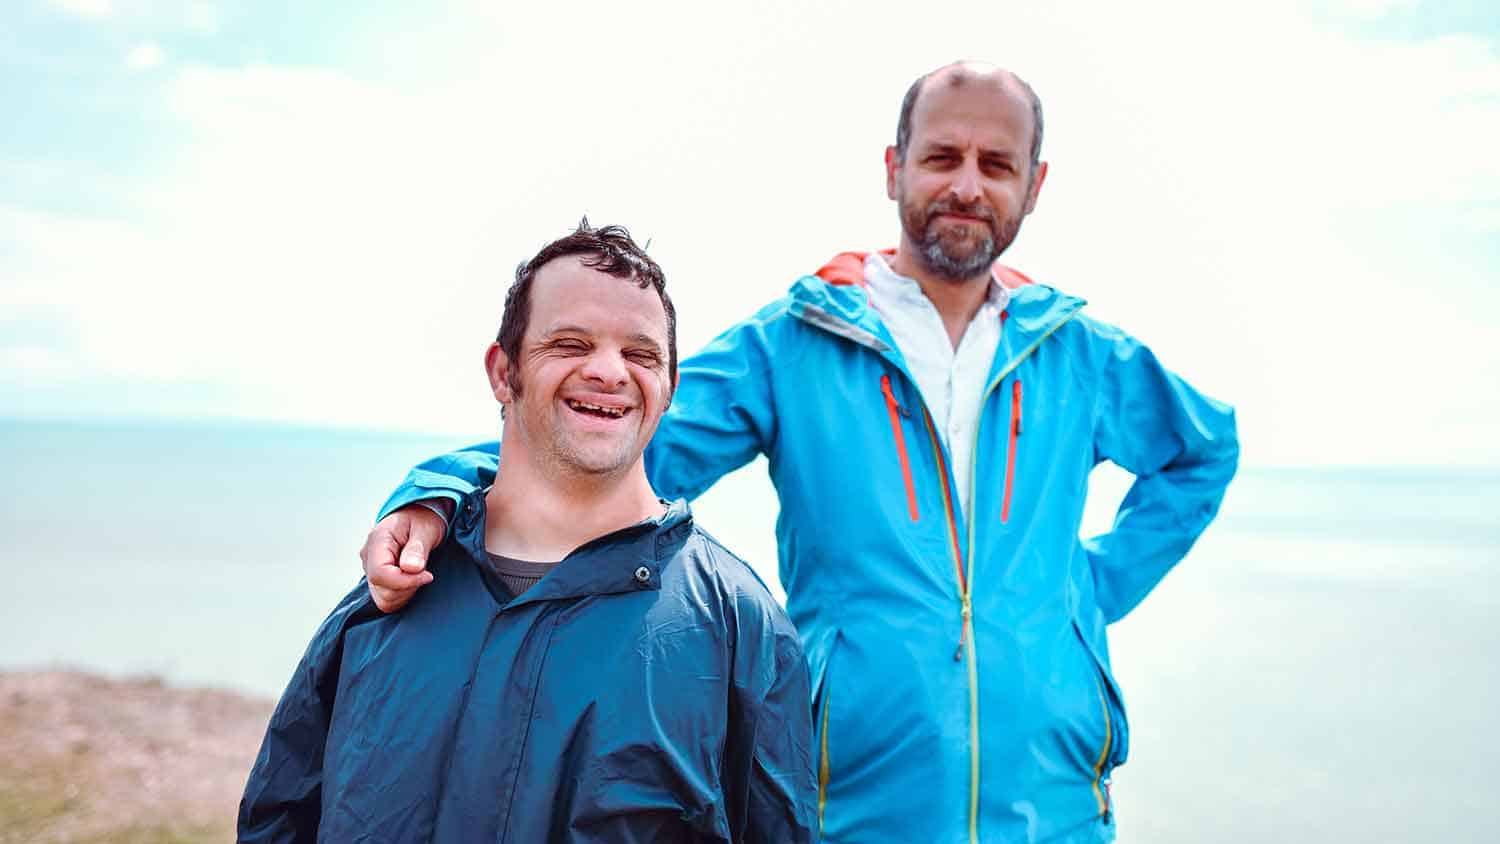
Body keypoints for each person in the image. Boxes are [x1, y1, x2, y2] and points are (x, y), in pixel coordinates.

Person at [363, 62, 1239, 843]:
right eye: (941, 157)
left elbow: (1202, 451)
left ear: (1034, 184)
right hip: (849, 803)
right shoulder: (795, 345)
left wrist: (1082, 597)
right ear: (895, 167)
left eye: (996, 165)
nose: (967, 185)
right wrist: (439, 490)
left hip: (1057, 812)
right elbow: (601, 432)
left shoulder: (1080, 354)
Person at [239, 221, 816, 843]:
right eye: (570, 343)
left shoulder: (739, 628)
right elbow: (279, 818)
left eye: (641, 354)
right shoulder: (389, 596)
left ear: (670, 387)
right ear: (502, 371)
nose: (609, 371)